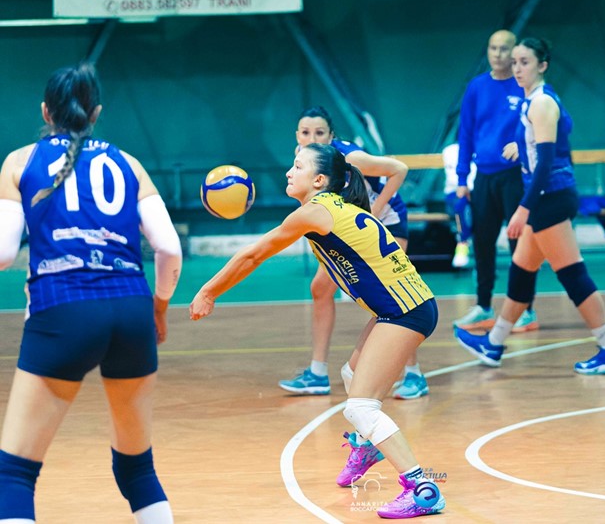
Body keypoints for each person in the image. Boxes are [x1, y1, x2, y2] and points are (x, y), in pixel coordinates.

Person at [190, 143, 445, 518]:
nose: (289, 172)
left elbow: (253, 255)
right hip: (402, 307)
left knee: (361, 407)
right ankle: (367, 447)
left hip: (405, 311)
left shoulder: (315, 212)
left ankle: (422, 489)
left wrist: (209, 291)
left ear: (320, 180)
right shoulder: (334, 208)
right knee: (351, 376)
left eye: (298, 166)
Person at [0, 63, 182, 523]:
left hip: (62, 307)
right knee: (137, 467)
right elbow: (168, 249)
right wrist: (159, 308)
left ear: (46, 111)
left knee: (14, 473)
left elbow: (3, 253)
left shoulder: (20, 161)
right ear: (96, 112)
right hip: (131, 308)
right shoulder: (129, 163)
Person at [455, 37, 605, 375]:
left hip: (550, 199)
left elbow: (546, 163)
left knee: (573, 275)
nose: (517, 68)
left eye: (525, 62)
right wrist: (521, 146)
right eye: (515, 62)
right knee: (521, 272)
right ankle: (494, 343)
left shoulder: (541, 103)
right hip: (546, 199)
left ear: (543, 65)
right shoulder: (534, 101)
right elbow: (556, 136)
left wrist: (523, 208)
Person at [278, 106, 429, 400]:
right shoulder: (303, 159)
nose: (312, 138)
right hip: (348, 226)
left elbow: (399, 169)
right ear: (297, 135)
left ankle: (414, 374)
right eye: (306, 133)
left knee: (392, 298)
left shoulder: (349, 157)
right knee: (320, 288)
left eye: (319, 133)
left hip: (385, 221)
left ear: (331, 135)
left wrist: (375, 211)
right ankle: (317, 373)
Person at [453, 29, 538, 333]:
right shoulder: (477, 87)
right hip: (484, 178)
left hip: (516, 177)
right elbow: (465, 133)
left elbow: (540, 127)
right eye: (493, 48)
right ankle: (483, 307)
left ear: (514, 53)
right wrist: (462, 177)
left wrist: (522, 145)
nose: (498, 54)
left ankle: (526, 309)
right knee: (482, 243)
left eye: (504, 49)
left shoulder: (525, 86)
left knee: (520, 244)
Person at [442, 142, 476, 268]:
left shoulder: (482, 145)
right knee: (461, 205)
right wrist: (465, 188)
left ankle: (485, 260)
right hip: (455, 192)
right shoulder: (450, 150)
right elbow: (452, 178)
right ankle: (463, 243)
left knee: (484, 209)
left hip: (478, 192)